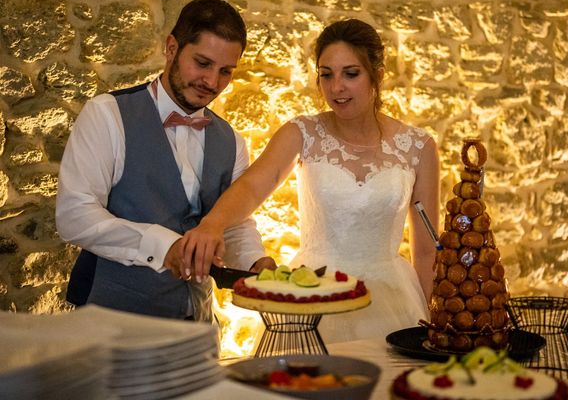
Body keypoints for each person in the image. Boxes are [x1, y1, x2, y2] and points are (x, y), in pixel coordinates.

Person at [179, 18, 440, 342]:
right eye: (326, 75)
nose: (336, 88)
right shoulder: (301, 133)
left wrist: (428, 323)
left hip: (392, 297)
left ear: (378, 74)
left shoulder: (419, 146)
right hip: (314, 295)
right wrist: (212, 224)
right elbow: (250, 187)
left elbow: (427, 249)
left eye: (351, 73)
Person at [56, 0, 275, 322]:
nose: (212, 83)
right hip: (112, 325)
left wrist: (256, 261)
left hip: (197, 327)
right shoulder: (108, 115)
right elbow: (75, 216)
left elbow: (233, 224)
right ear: (172, 47)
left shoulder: (232, 141)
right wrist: (163, 246)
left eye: (225, 71)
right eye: (202, 63)